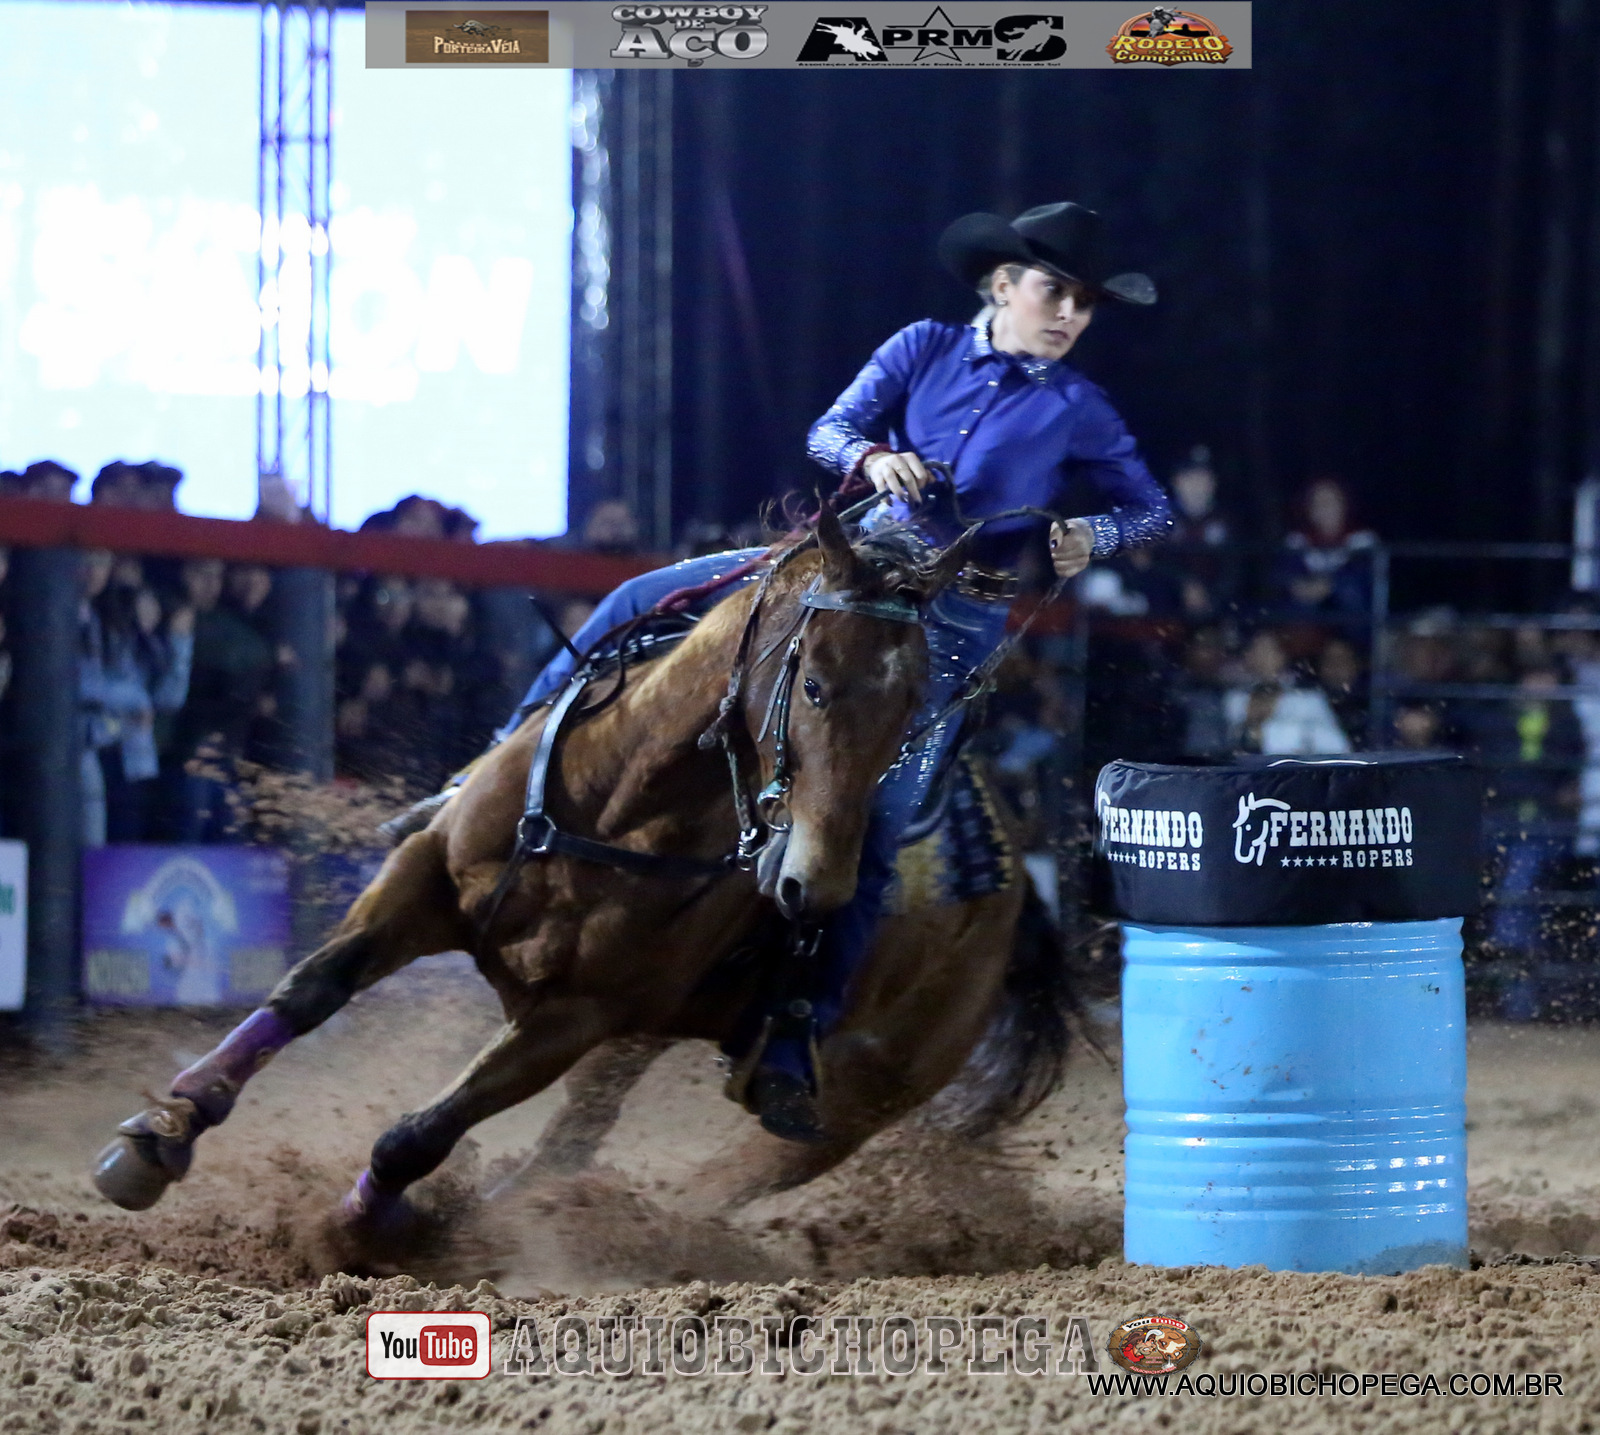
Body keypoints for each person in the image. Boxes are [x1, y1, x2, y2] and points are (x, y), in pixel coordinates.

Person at [498, 202, 1171, 1141]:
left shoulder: (1079, 408)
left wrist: (1093, 532)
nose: (1069, 315)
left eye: (1085, 303)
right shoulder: (924, 346)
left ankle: (795, 1028)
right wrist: (874, 455)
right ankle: (494, 770)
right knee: (638, 598)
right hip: (847, 571)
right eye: (1055, 291)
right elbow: (832, 429)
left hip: (952, 620)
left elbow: (1151, 509)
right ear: (1002, 285)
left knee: (878, 818)